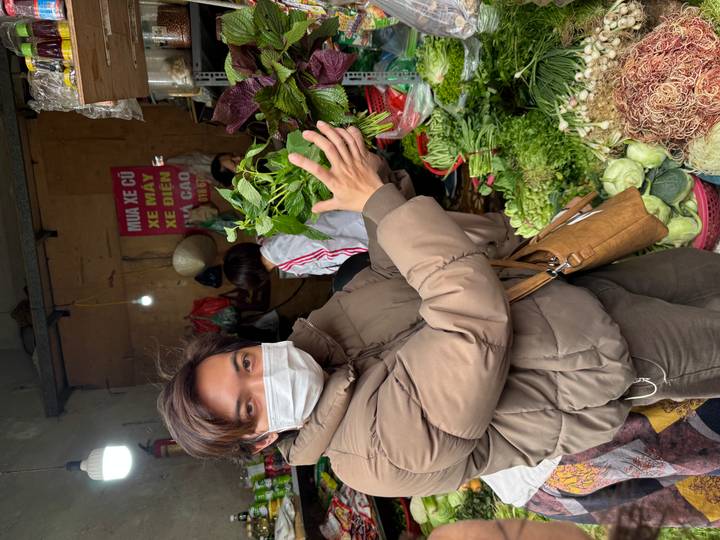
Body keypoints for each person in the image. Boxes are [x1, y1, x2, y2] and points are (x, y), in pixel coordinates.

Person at [157, 121, 720, 497]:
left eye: (246, 366)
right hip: (610, 361)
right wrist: (378, 203)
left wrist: (372, 181)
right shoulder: (372, 457)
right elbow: (468, 324)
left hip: (578, 289)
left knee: (709, 272)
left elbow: (389, 269)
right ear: (259, 440)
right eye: (250, 407)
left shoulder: (324, 335)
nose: (264, 379)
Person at [222, 211, 369, 287]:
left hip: (366, 231)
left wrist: (374, 252)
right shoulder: (268, 233)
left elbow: (335, 251)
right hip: (354, 217)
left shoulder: (288, 259)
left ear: (256, 279)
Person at [164, 152, 241, 187]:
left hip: (210, 172)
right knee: (191, 161)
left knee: (192, 166)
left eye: (233, 155)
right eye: (233, 161)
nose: (238, 157)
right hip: (208, 163)